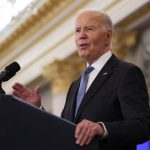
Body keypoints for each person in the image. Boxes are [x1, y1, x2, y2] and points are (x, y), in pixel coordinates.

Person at [12, 10, 150, 150]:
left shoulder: (125, 73)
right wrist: (37, 110)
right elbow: (64, 129)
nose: (81, 36)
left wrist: (102, 128)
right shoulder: (75, 85)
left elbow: (143, 126)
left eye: (89, 29)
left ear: (108, 36)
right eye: (78, 31)